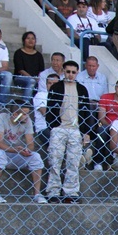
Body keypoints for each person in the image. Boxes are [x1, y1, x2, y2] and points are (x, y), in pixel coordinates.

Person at [0, 101, 47, 204]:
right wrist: (16, 150)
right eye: (24, 114)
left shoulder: (27, 120)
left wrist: (26, 150)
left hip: (15, 154)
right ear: (15, 114)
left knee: (36, 157)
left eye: (28, 113)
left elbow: (31, 144)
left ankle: (37, 195)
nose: (27, 116)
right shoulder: (1, 118)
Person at [45, 60, 92, 203]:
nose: (70, 75)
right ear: (63, 72)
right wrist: (54, 125)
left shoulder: (82, 89)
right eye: (68, 72)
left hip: (75, 129)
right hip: (59, 128)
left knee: (73, 162)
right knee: (55, 160)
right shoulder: (56, 87)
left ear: (77, 73)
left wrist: (85, 131)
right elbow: (50, 108)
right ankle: (53, 191)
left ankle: (71, 192)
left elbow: (86, 111)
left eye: (73, 72)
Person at [13, 32, 45, 100]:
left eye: (33, 39)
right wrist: (32, 78)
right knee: (31, 81)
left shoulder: (39, 55)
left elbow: (41, 70)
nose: (31, 40)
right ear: (24, 40)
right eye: (28, 38)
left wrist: (37, 79)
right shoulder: (18, 53)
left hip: (35, 79)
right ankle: (25, 104)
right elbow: (20, 69)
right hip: (20, 78)